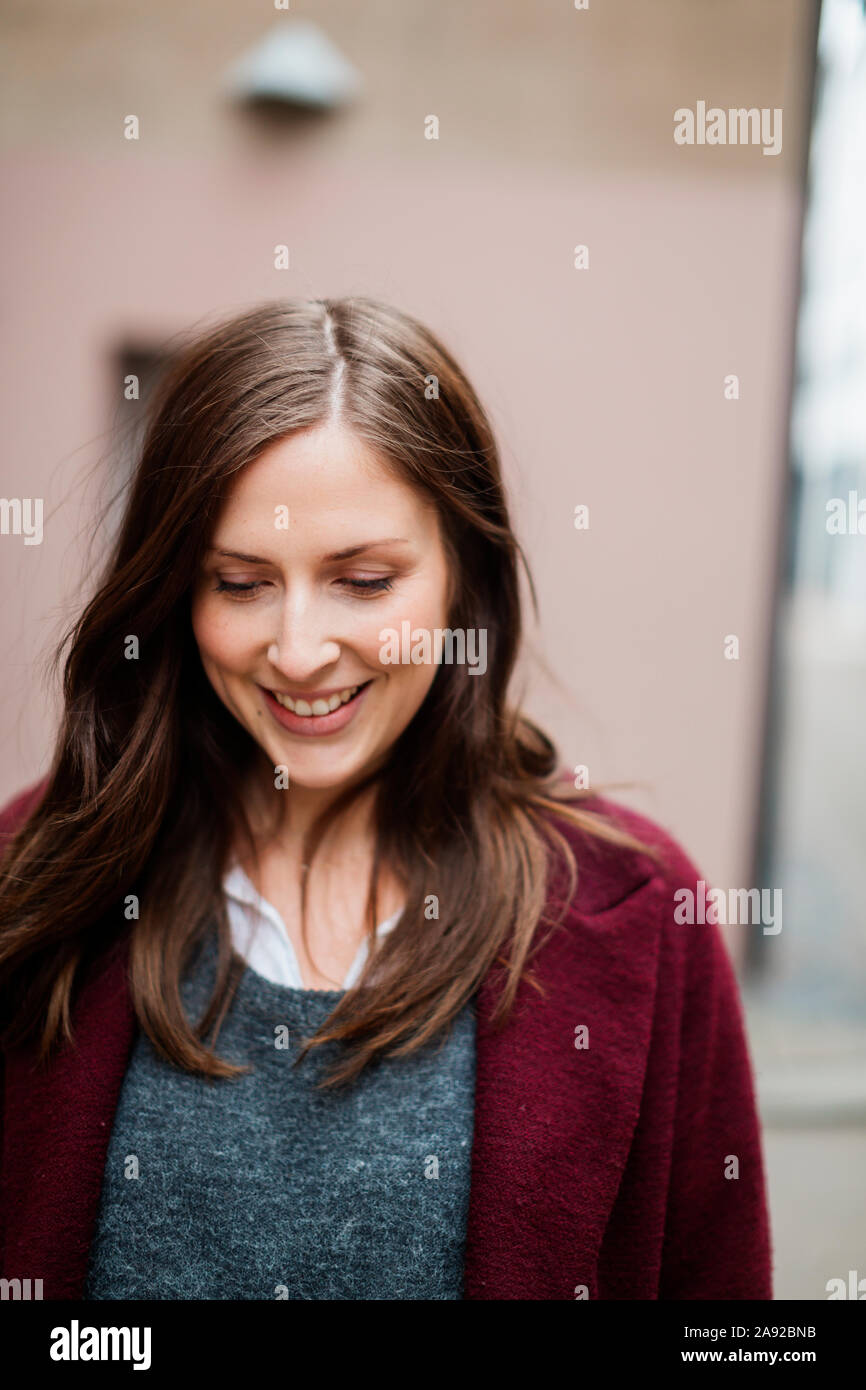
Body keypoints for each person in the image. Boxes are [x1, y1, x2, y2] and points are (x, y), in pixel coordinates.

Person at [0, 297, 772, 1300]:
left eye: (362, 580)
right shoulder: (36, 878)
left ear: (463, 578)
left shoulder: (637, 914)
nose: (299, 648)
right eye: (240, 583)